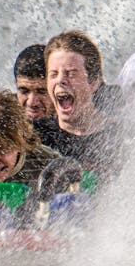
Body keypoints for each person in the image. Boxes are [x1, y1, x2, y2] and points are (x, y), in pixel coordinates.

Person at [33, 30, 122, 175]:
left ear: (93, 82)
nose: (60, 80)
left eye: (71, 74)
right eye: (53, 74)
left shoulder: (120, 138)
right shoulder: (37, 137)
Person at [13, 44, 54, 121]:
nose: (31, 103)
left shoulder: (78, 122)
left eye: (41, 92)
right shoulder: (0, 117)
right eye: (24, 91)